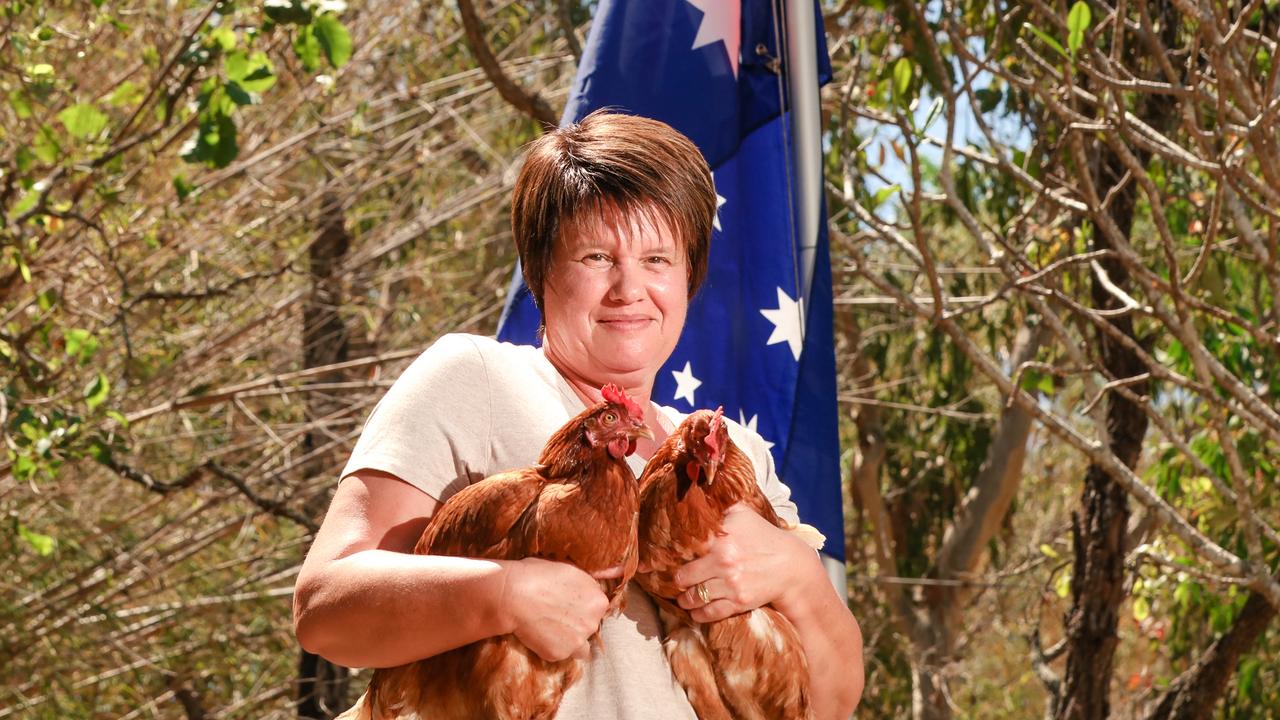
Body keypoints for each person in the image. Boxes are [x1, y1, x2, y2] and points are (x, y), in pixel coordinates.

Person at [293, 110, 864, 719]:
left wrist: (797, 574)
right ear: (541, 270)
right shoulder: (478, 378)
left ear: (690, 276)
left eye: (657, 260)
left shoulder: (731, 455)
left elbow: (827, 703)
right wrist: (502, 594)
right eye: (595, 256)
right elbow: (326, 610)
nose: (628, 289)